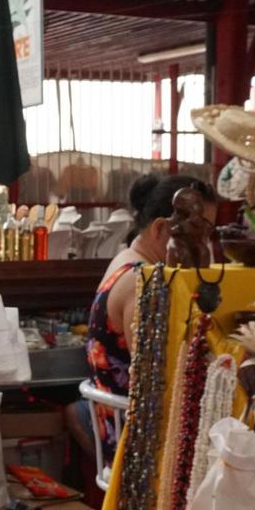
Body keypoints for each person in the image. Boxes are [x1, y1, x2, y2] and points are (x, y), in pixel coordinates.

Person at [69, 174, 216, 466]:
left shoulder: (129, 258)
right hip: (134, 437)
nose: (207, 245)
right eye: (202, 232)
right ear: (161, 228)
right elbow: (157, 379)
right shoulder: (142, 282)